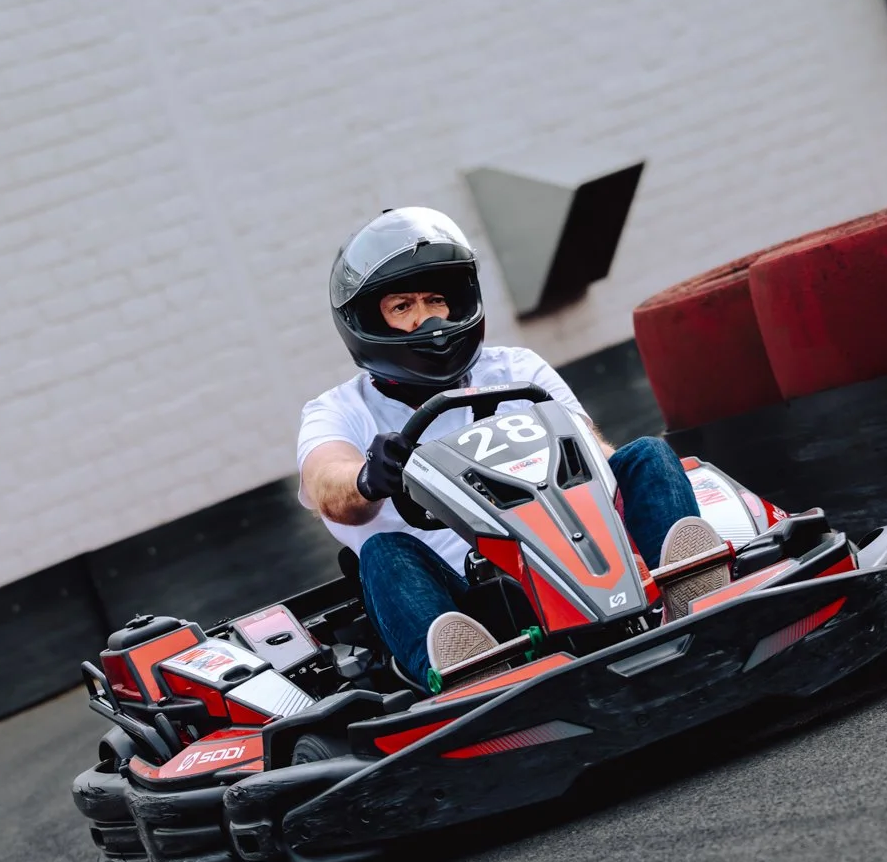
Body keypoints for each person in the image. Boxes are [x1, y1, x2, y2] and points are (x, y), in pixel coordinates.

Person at [297, 207, 732, 682]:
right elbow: (326, 481)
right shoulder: (338, 410)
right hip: (463, 596)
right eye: (403, 307)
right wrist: (367, 477)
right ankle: (473, 674)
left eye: (434, 301)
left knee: (647, 454)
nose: (427, 322)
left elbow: (596, 454)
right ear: (367, 321)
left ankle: (695, 600)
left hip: (571, 552)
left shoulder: (516, 370)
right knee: (382, 551)